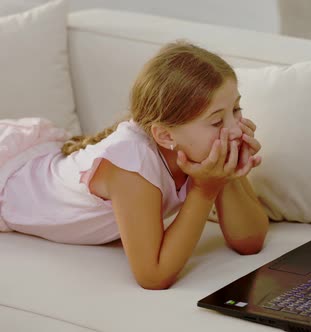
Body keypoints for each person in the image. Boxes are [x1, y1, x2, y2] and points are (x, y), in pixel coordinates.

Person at [0, 40, 269, 290]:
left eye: (236, 110)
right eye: (216, 121)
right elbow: (153, 276)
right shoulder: (132, 165)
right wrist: (205, 190)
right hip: (12, 181)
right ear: (165, 135)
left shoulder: (202, 150)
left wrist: (228, 174)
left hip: (42, 164)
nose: (235, 129)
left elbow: (249, 242)